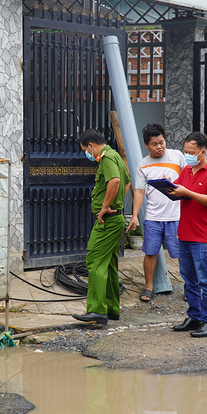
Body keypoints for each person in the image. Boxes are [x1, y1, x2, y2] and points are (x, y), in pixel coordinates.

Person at [73, 128, 130, 325]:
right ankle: (112, 308)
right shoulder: (116, 156)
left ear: (91, 145)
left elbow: (115, 181)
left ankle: (97, 310)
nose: (87, 154)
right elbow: (127, 183)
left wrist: (106, 206)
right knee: (110, 265)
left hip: (107, 221)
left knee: (95, 262)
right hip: (117, 219)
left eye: (85, 150)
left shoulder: (106, 158)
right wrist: (118, 203)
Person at [168, 132, 207, 338]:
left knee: (206, 281)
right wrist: (168, 188)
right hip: (184, 234)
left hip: (202, 236)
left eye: (191, 152)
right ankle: (194, 317)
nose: (188, 155)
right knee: (188, 279)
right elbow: (178, 193)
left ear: (202, 152)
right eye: (185, 151)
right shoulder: (186, 170)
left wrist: (187, 193)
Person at [127, 122, 186, 303]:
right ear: (146, 145)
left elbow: (188, 180)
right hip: (153, 217)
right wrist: (135, 215)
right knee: (150, 252)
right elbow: (139, 191)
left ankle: (189, 287)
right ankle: (149, 287)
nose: (159, 147)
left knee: (183, 252)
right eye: (154, 144)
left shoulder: (177, 156)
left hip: (176, 216)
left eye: (162, 142)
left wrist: (175, 183)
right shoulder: (143, 164)